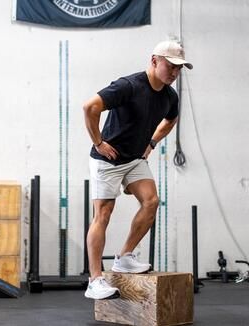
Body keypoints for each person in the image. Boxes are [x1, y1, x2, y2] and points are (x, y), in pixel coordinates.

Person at [82, 40, 193, 299]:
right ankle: (95, 279)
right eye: (171, 66)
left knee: (151, 201)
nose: (175, 73)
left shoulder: (169, 96)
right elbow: (90, 107)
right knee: (104, 214)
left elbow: (171, 119)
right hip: (107, 160)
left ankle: (124, 257)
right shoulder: (129, 86)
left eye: (179, 69)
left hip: (134, 159)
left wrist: (151, 143)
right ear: (154, 61)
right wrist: (98, 142)